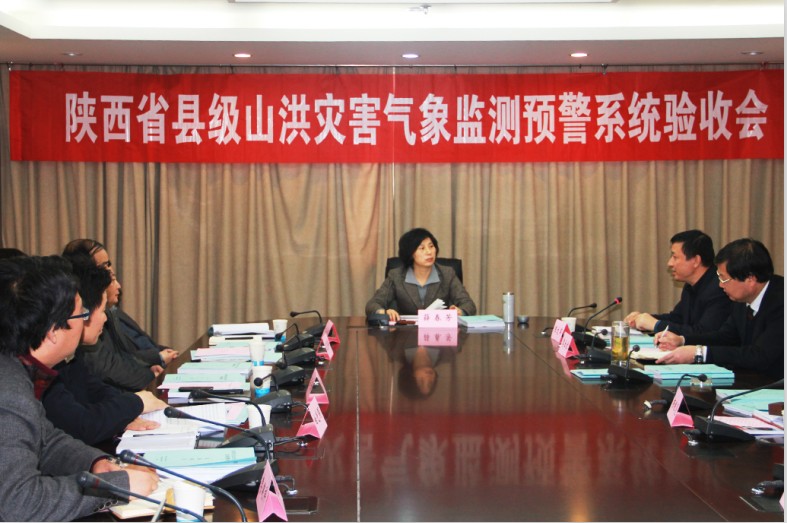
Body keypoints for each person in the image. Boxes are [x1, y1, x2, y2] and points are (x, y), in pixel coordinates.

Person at [0, 255, 159, 521]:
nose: (86, 321)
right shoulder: (9, 393)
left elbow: (46, 441)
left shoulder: (17, 367)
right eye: (81, 314)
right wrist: (115, 487)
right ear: (52, 331)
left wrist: (95, 463)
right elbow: (19, 502)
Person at [42, 252, 168, 445]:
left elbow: (97, 390)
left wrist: (125, 413)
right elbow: (82, 425)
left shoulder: (68, 359)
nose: (105, 318)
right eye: (101, 311)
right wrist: (135, 403)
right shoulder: (36, 371)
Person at [655, 238, 783, 379]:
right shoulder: (741, 298)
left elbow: (760, 355)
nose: (721, 285)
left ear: (750, 279)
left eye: (724, 279)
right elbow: (725, 337)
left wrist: (700, 353)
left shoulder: (780, 302)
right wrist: (682, 340)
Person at [62, 239, 178, 391]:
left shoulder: (111, 311)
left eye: (109, 264)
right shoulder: (82, 329)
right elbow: (112, 367)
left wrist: (158, 359)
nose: (109, 271)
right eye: (104, 266)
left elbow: (124, 358)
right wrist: (155, 364)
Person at [624, 230, 731, 335]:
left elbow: (704, 333)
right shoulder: (691, 285)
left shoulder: (721, 287)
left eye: (675, 257)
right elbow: (678, 319)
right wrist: (643, 319)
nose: (669, 263)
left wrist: (656, 324)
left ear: (696, 261)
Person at [366, 228, 477, 322]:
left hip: (438, 335)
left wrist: (460, 312)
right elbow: (373, 304)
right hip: (405, 335)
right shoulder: (396, 276)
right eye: (422, 248)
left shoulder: (447, 274)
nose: (429, 252)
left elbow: (468, 304)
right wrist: (384, 312)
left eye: (431, 246)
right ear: (410, 254)